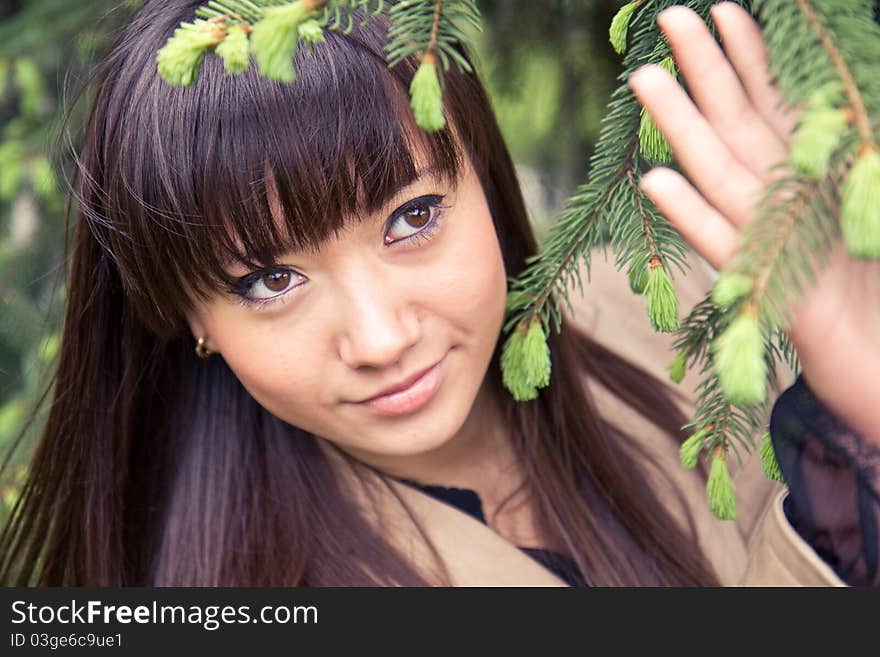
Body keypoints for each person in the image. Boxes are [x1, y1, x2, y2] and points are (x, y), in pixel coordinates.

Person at [0, 0, 877, 586]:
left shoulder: (688, 309)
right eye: (271, 280)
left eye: (412, 216)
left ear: (485, 182)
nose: (380, 337)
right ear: (190, 315)